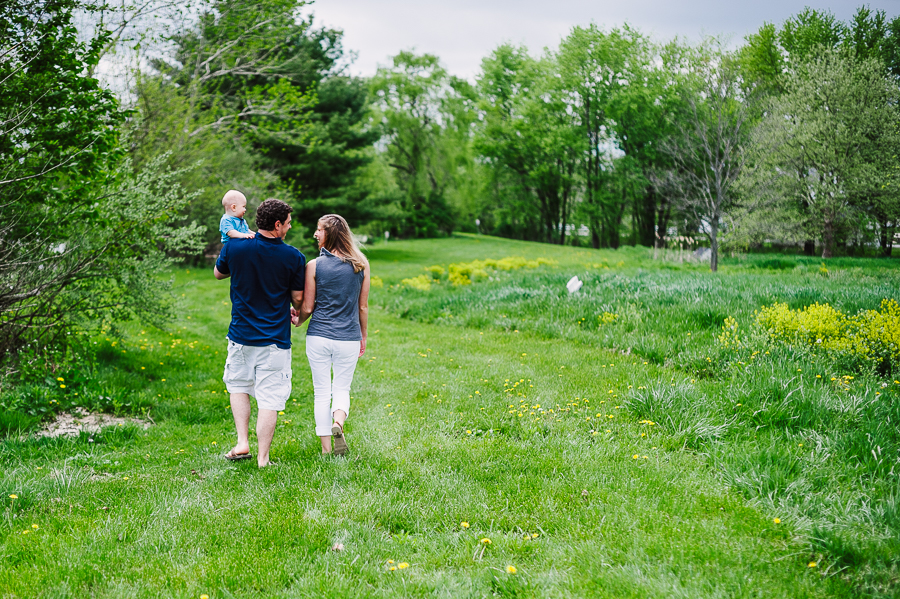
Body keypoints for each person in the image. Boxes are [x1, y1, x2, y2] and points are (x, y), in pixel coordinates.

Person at [214, 198, 305, 468]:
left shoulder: (234, 247)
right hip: (275, 340)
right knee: (270, 397)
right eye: (287, 223)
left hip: (240, 335)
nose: (289, 227)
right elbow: (298, 300)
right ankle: (263, 459)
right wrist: (295, 307)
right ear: (277, 225)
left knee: (238, 386)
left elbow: (219, 274)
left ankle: (242, 442)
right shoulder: (293, 256)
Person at [296, 214, 370, 456]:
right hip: (348, 336)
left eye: (319, 230)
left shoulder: (314, 266)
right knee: (341, 388)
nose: (315, 234)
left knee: (321, 391)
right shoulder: (361, 264)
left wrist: (298, 319)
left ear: (331, 234)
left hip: (318, 335)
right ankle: (338, 423)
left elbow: (307, 307)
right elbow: (363, 307)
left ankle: (327, 449)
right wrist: (363, 335)